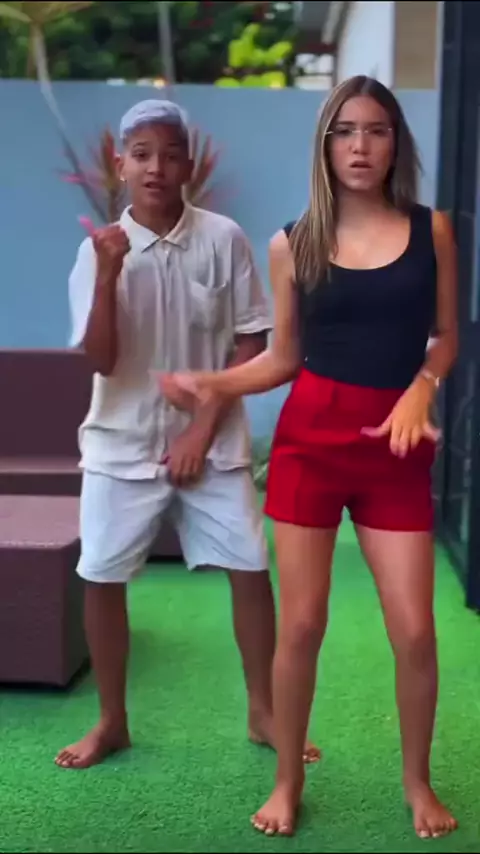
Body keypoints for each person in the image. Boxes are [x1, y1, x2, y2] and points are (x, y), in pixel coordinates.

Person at [160, 77, 459, 839]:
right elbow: (283, 359)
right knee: (300, 626)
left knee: (415, 632)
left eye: (377, 131)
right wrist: (215, 383)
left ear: (396, 144)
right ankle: (288, 779)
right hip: (310, 447)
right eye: (345, 131)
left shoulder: (432, 231)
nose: (361, 146)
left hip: (394, 448)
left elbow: (448, 336)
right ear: (325, 146)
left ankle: (416, 782)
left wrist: (422, 388)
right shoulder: (291, 244)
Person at [56, 99, 320, 770]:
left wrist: (200, 431)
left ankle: (263, 712)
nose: (156, 168)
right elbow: (100, 361)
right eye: (142, 155)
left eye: (170, 155)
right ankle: (112, 721)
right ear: (120, 164)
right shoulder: (96, 253)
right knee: (100, 575)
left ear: (189, 166)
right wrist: (109, 273)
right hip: (119, 443)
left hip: (214, 444)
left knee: (250, 567)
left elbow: (251, 341)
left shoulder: (223, 238)